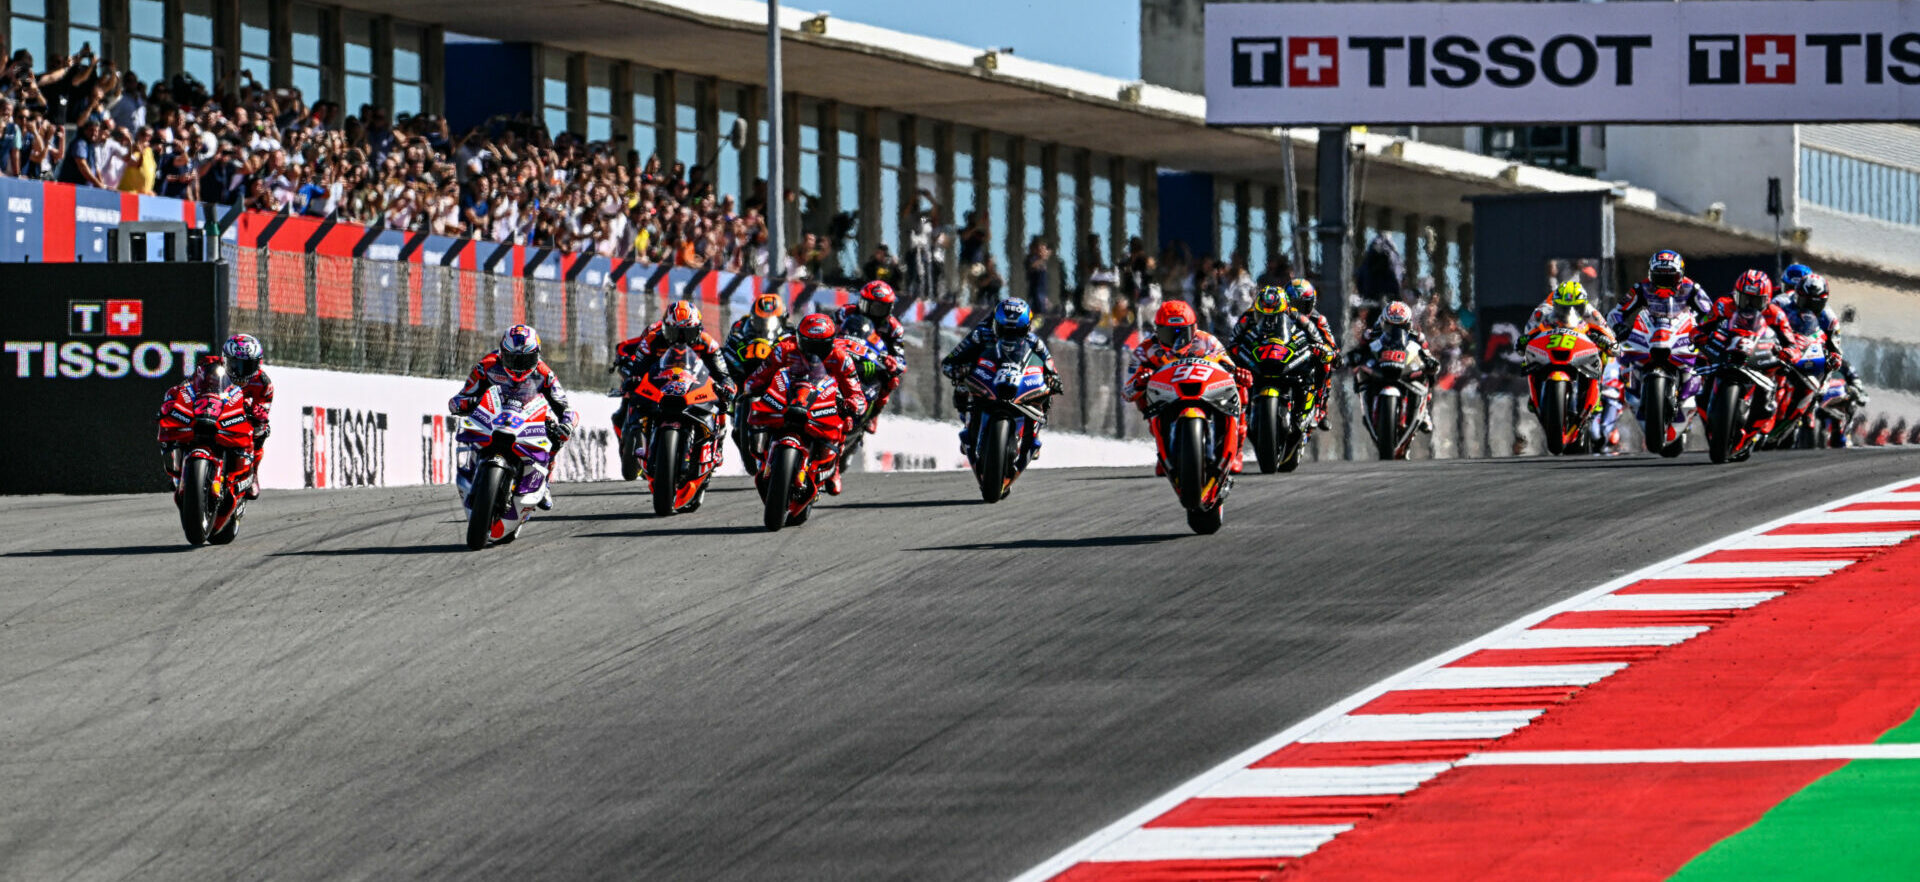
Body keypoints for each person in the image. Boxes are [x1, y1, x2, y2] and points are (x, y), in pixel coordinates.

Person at [448, 324, 578, 510]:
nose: (518, 366)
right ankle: (472, 469)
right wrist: (467, 403)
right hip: (494, 415)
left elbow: (566, 408)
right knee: (469, 428)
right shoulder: (487, 366)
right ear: (502, 353)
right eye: (512, 358)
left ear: (537, 355)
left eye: (525, 360)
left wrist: (566, 425)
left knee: (557, 434)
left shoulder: (545, 374)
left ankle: (543, 481)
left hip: (528, 417)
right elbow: (460, 398)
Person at [740, 312, 869, 495]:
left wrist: (853, 404)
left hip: (824, 400)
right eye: (809, 344)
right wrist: (753, 388)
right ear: (799, 338)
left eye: (820, 346)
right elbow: (760, 374)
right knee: (752, 400)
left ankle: (834, 467)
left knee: (847, 420)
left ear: (831, 342)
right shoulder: (784, 348)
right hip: (789, 396)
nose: (813, 351)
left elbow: (856, 392)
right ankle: (760, 449)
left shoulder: (841, 358)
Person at [1125, 300, 1253, 474]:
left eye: (1182, 332)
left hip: (1205, 391)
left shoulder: (1208, 341)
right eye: (1169, 333)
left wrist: (1239, 374)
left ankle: (1236, 449)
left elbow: (1229, 366)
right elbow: (1127, 392)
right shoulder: (1145, 350)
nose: (1177, 339)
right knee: (1142, 393)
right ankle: (1164, 450)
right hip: (1167, 397)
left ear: (1193, 328)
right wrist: (1140, 382)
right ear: (1157, 330)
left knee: (1238, 387)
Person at [940, 297, 1064, 458]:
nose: (1010, 336)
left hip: (1019, 385)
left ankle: (1034, 435)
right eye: (1005, 330)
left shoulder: (1034, 343)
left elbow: (1052, 370)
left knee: (1046, 392)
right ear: (995, 324)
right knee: (962, 386)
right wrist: (960, 370)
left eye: (1017, 331)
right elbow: (949, 362)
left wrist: (1052, 380)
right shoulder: (980, 335)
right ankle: (968, 425)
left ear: (1026, 328)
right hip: (986, 381)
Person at [612, 299, 737, 455]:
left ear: (698, 330)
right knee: (633, 395)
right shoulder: (652, 340)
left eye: (687, 334)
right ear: (664, 328)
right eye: (674, 333)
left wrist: (726, 386)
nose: (680, 339)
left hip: (695, 386)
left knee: (721, 398)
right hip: (661, 385)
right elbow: (638, 368)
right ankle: (635, 434)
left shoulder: (708, 344)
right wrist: (632, 379)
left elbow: (723, 374)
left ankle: (718, 440)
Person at [1693, 270, 1804, 435]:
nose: (1749, 306)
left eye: (1756, 301)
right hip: (1727, 352)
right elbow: (1700, 327)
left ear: (1766, 300)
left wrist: (1788, 353)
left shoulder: (1776, 314)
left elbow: (1791, 343)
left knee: (1779, 374)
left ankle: (1761, 422)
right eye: (1745, 300)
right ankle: (1708, 414)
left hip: (1759, 355)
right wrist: (1700, 337)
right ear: (1736, 295)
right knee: (1700, 368)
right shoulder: (1724, 305)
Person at [1228, 282, 1338, 430]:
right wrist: (1234, 352)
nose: (1297, 307)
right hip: (1265, 351)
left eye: (1301, 304)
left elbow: (1327, 344)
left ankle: (1321, 407)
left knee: (1325, 363)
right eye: (1293, 302)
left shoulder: (1313, 319)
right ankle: (1236, 409)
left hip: (1296, 351)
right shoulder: (1249, 315)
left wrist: (1328, 352)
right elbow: (1232, 341)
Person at [1352, 301, 1444, 432]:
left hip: (1404, 366)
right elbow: (1359, 349)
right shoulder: (1371, 334)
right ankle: (1364, 404)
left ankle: (1424, 413)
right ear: (1384, 322)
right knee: (1359, 371)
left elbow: (1426, 353)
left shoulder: (1417, 336)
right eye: (1391, 326)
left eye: (1401, 326)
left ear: (1408, 324)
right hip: (1380, 365)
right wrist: (1354, 357)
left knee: (1428, 374)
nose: (1395, 331)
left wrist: (1429, 361)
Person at [1774, 271, 1864, 401]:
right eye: (1805, 302)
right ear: (1797, 294)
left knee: (1816, 396)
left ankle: (1806, 412)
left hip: (1806, 360)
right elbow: (1762, 322)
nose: (1809, 308)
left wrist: (1834, 359)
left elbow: (1836, 350)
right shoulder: (1781, 302)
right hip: (1780, 349)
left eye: (1815, 304)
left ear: (1824, 302)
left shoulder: (1829, 318)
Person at [830, 281, 908, 424]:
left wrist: (893, 363)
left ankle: (873, 414)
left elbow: (901, 361)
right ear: (861, 302)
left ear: (889, 308)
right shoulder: (845, 312)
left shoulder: (894, 328)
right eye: (870, 306)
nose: (874, 313)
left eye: (880, 308)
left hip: (872, 363)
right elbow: (829, 328)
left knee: (892, 380)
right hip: (842, 352)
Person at [1609, 250, 1713, 340]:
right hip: (1647, 339)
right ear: (1651, 274)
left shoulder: (1691, 288)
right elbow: (1615, 313)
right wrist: (1620, 327)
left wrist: (1702, 329)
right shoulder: (1641, 288)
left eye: (1670, 278)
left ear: (1681, 275)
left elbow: (1712, 314)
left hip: (1684, 340)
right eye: (1660, 277)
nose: (1665, 283)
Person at [220, 334, 274, 498]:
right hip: (216, 411)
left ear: (258, 364)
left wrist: (258, 413)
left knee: (262, 430)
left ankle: (253, 472)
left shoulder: (263, 383)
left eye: (247, 366)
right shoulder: (215, 372)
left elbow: (264, 410)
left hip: (242, 418)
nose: (240, 371)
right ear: (225, 360)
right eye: (235, 364)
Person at [721, 292, 791, 382]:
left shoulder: (790, 333)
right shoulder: (739, 326)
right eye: (759, 322)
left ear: (783, 320)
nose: (764, 326)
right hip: (743, 371)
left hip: (775, 377)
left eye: (770, 321)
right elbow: (728, 347)